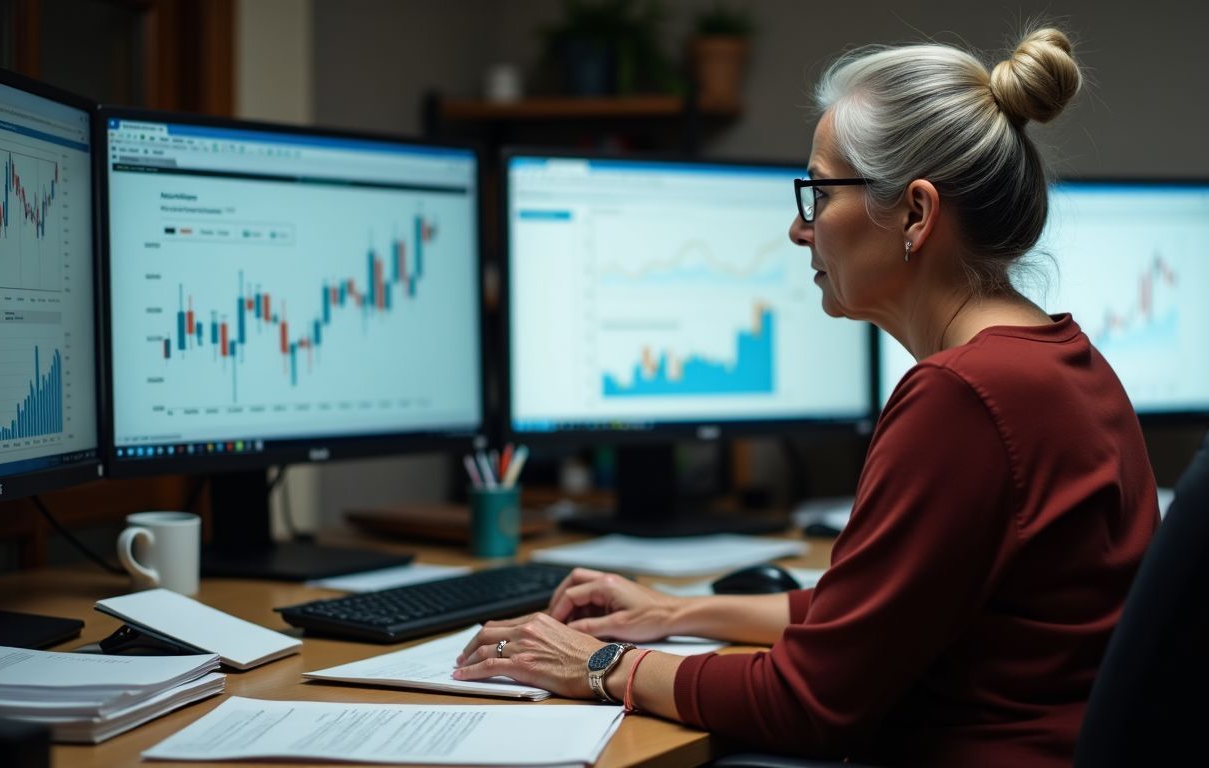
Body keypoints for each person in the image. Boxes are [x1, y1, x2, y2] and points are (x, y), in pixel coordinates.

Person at [454, 27, 1158, 767]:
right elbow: (876, 615)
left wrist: (595, 666)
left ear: (916, 214)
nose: (798, 228)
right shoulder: (1061, 359)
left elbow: (808, 703)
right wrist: (673, 611)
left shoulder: (963, 397)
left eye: (818, 194)